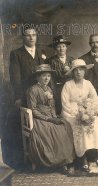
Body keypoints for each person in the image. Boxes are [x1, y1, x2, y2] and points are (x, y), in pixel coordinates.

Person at [6, 26, 46, 169]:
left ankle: (45, 156)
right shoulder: (16, 54)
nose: (31, 37)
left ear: (36, 36)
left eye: (33, 35)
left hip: (42, 94)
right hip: (25, 95)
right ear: (23, 37)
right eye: (28, 35)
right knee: (28, 125)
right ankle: (28, 159)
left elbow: (47, 73)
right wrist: (18, 97)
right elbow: (15, 78)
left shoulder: (42, 52)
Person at [26, 64, 75, 174]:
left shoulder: (49, 89)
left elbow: (52, 106)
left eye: (48, 76)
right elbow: (33, 110)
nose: (46, 78)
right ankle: (53, 161)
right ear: (37, 77)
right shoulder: (32, 90)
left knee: (64, 125)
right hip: (39, 118)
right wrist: (48, 119)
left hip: (50, 117)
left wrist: (54, 116)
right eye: (43, 76)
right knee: (51, 130)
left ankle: (64, 161)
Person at [61, 59, 98, 172]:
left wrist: (90, 110)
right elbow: (65, 103)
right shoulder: (68, 85)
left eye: (81, 70)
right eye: (76, 70)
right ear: (72, 72)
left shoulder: (88, 84)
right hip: (71, 113)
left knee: (96, 123)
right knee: (79, 125)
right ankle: (82, 156)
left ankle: (95, 153)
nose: (78, 72)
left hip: (87, 110)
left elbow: (95, 98)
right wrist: (77, 113)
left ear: (84, 71)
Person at [46, 35, 73, 115]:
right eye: (58, 47)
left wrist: (70, 71)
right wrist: (52, 91)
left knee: (70, 110)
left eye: (63, 46)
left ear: (66, 47)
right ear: (55, 48)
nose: (61, 49)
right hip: (56, 89)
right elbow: (49, 78)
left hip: (70, 89)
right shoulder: (50, 61)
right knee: (58, 110)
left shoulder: (72, 60)